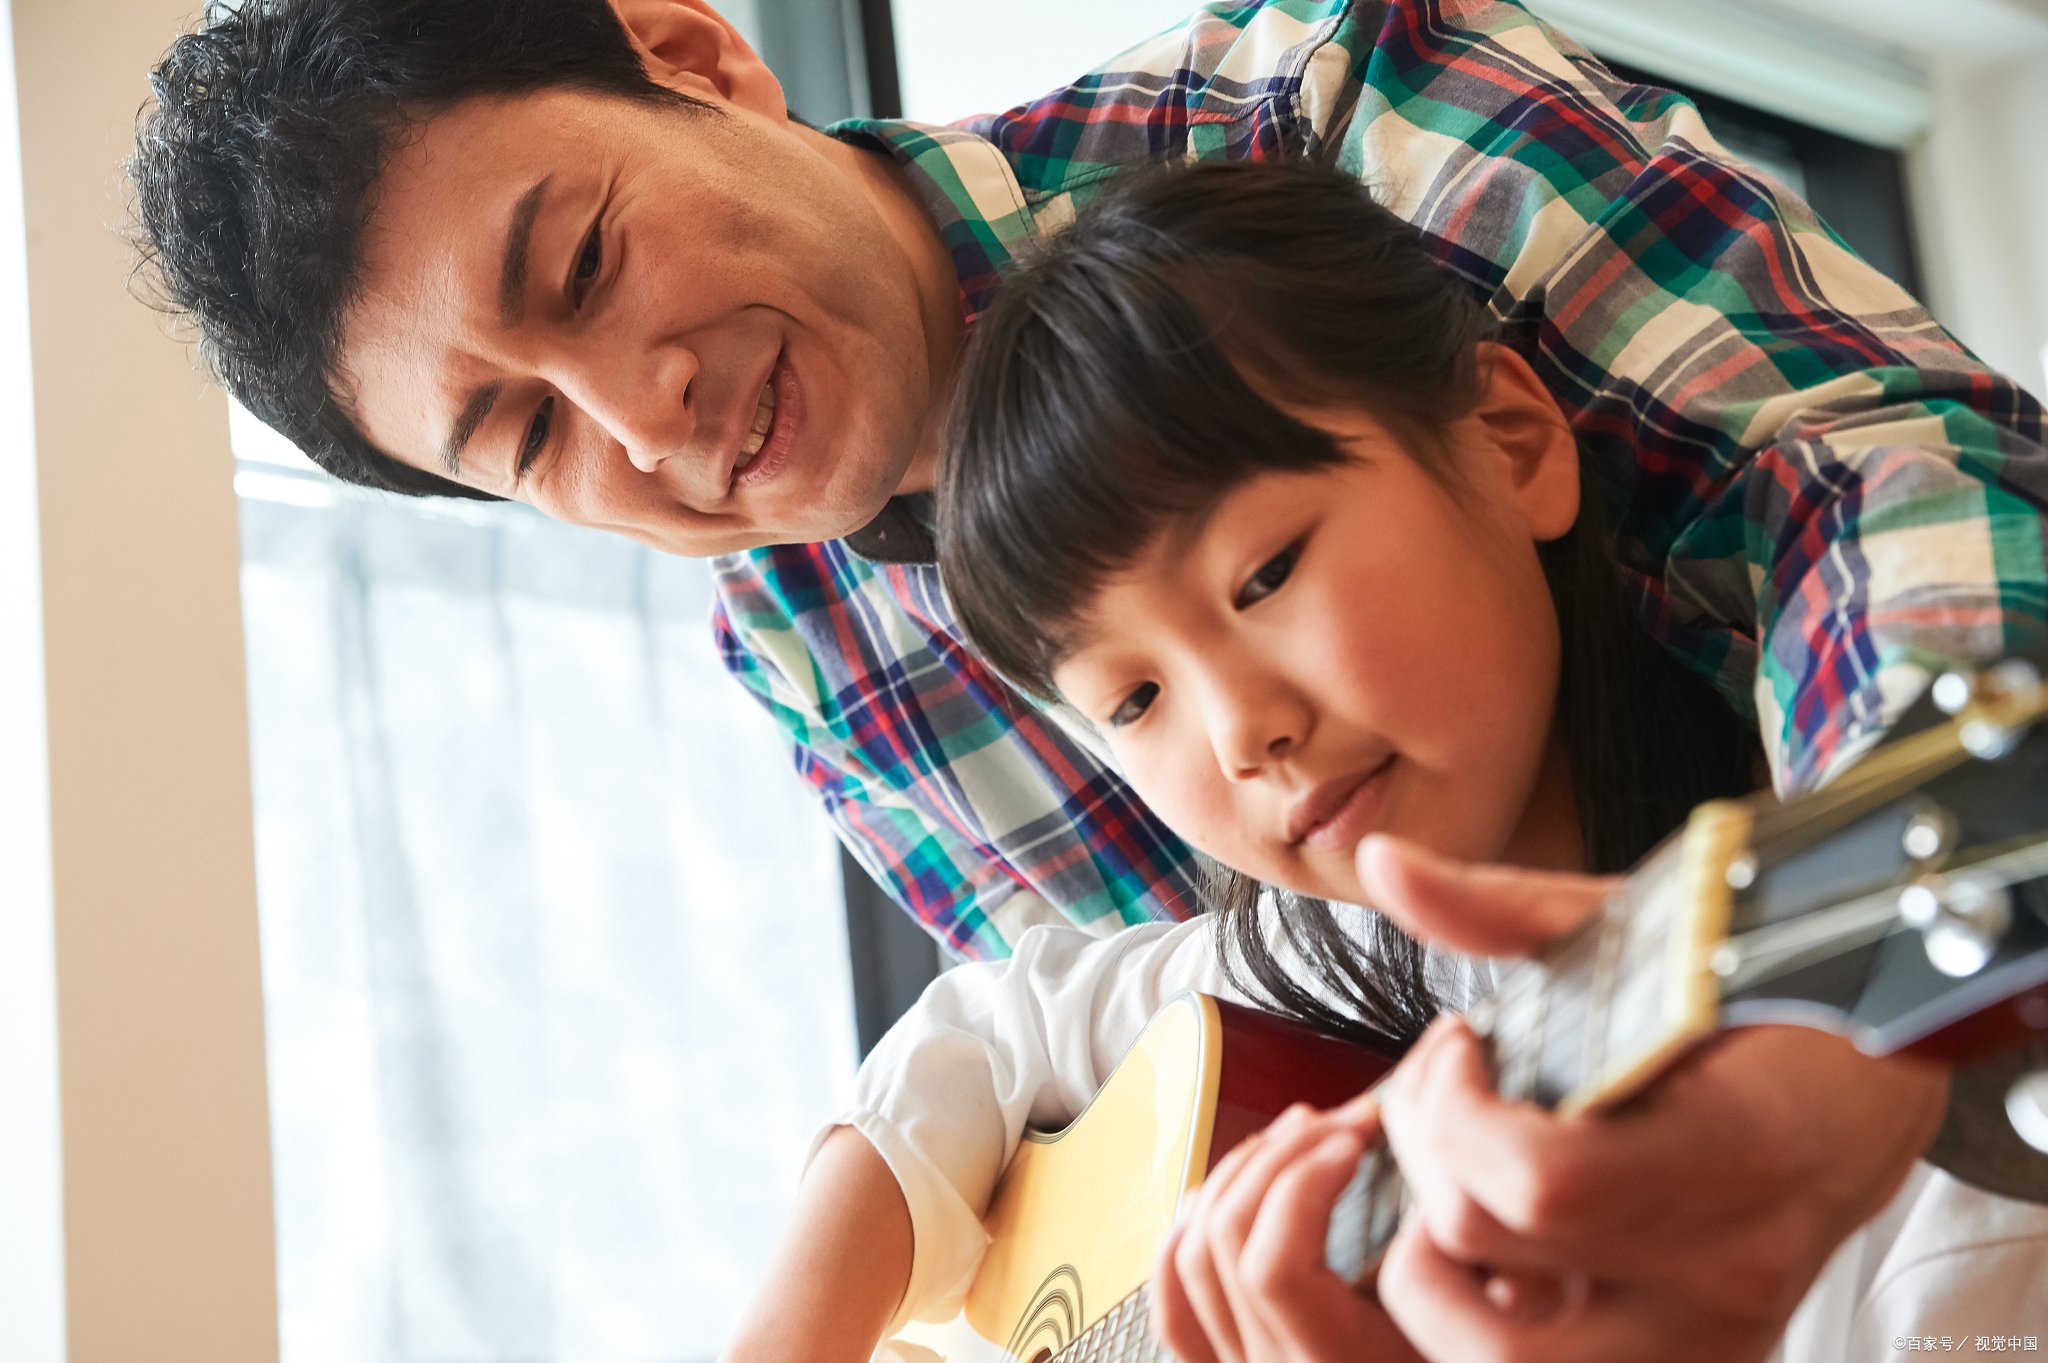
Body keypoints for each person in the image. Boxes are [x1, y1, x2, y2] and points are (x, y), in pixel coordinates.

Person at [127, 0, 2046, 1357]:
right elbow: (1159, 1062)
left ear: (697, 55)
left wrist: (1831, 1013)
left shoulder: (1318, 106)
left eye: (586, 262)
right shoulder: (802, 648)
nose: (646, 421)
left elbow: (1872, 482)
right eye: (525, 442)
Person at [720, 160, 2048, 1363]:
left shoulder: (1940, 1213)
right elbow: (992, 1025)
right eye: (1132, 699)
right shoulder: (1312, 954)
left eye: (1267, 572)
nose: (1242, 731)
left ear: (1511, 446)